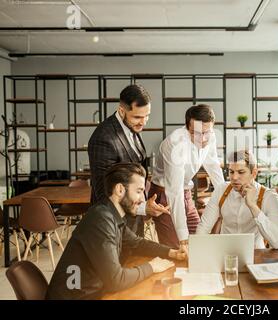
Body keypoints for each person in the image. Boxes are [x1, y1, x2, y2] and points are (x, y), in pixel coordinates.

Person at [46, 163, 186, 300]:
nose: (142, 199)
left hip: (94, 293)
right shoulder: (101, 219)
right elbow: (116, 280)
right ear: (120, 189)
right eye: (138, 191)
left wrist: (171, 252)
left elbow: (137, 243)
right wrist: (152, 266)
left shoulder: (110, 214)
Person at [88, 84, 169, 237]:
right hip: (112, 225)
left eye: (147, 116)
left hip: (132, 223)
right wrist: (142, 207)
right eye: (137, 117)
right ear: (121, 111)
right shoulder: (103, 138)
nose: (143, 122)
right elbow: (104, 193)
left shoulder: (131, 127)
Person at [149, 104, 225, 251]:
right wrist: (183, 238)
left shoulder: (211, 136)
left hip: (186, 194)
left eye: (206, 133)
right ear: (186, 127)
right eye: (195, 133)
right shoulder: (175, 143)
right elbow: (174, 191)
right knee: (176, 249)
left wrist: (225, 197)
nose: (202, 139)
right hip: (165, 195)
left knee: (199, 244)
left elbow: (214, 167)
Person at [196, 150, 278, 249]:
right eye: (231, 172)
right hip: (224, 253)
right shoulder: (221, 190)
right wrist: (197, 251)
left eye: (241, 172)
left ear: (254, 173)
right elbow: (204, 227)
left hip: (255, 254)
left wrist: (253, 206)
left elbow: (277, 242)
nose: (234, 177)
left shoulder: (270, 197)